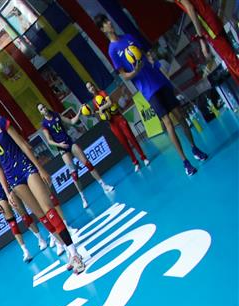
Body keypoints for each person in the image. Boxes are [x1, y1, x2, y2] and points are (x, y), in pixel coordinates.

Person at [0, 103, 87, 272]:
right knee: (41, 216)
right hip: (12, 178)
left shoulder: (0, 122)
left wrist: (40, 168)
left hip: (25, 167)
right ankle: (68, 251)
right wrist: (7, 193)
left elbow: (22, 145)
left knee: (48, 209)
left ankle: (75, 254)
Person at [96, 14, 209, 176]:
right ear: (102, 29)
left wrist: (152, 61)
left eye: (108, 20)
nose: (109, 23)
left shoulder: (128, 37)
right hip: (148, 89)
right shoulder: (112, 51)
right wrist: (135, 71)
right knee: (168, 122)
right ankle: (185, 162)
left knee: (180, 116)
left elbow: (144, 53)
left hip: (159, 80)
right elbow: (124, 76)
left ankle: (195, 149)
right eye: (105, 23)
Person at [35, 103, 115, 207]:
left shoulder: (56, 115)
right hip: (62, 148)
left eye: (44, 107)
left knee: (88, 163)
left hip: (69, 142)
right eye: (41, 109)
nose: (44, 109)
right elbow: (49, 141)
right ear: (41, 112)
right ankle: (83, 198)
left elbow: (72, 121)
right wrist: (59, 145)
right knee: (74, 174)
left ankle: (104, 186)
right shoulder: (44, 124)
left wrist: (79, 112)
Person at [165, 0, 239, 82]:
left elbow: (190, 9)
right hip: (211, 21)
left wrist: (201, 38)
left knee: (232, 62)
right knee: (231, 60)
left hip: (209, 27)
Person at [83, 80, 149, 170]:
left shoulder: (102, 92)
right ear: (88, 91)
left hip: (119, 118)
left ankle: (143, 157)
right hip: (112, 124)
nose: (91, 88)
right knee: (124, 143)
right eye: (89, 88)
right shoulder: (94, 101)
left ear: (94, 86)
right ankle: (135, 162)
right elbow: (100, 113)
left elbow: (109, 102)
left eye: (91, 86)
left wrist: (102, 108)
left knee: (131, 138)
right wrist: (93, 113)